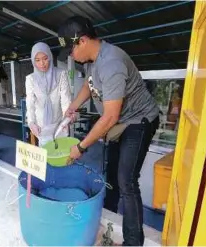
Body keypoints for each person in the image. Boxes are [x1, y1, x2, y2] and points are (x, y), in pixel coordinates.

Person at [57, 16, 160, 246]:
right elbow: (88, 85)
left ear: (82, 41)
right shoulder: (93, 60)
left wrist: (81, 147)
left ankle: (133, 242)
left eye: (71, 52)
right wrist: (73, 106)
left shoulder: (111, 62)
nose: (71, 57)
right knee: (112, 173)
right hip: (121, 122)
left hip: (139, 121)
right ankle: (108, 218)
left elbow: (110, 116)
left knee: (127, 180)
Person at [25, 42, 72, 146]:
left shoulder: (61, 74)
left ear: (50, 57)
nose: (42, 63)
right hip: (41, 126)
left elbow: (65, 100)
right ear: (33, 61)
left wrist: (66, 120)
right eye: (37, 60)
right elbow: (30, 104)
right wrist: (31, 122)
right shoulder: (31, 79)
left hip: (59, 123)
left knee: (62, 152)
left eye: (45, 58)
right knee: (45, 154)